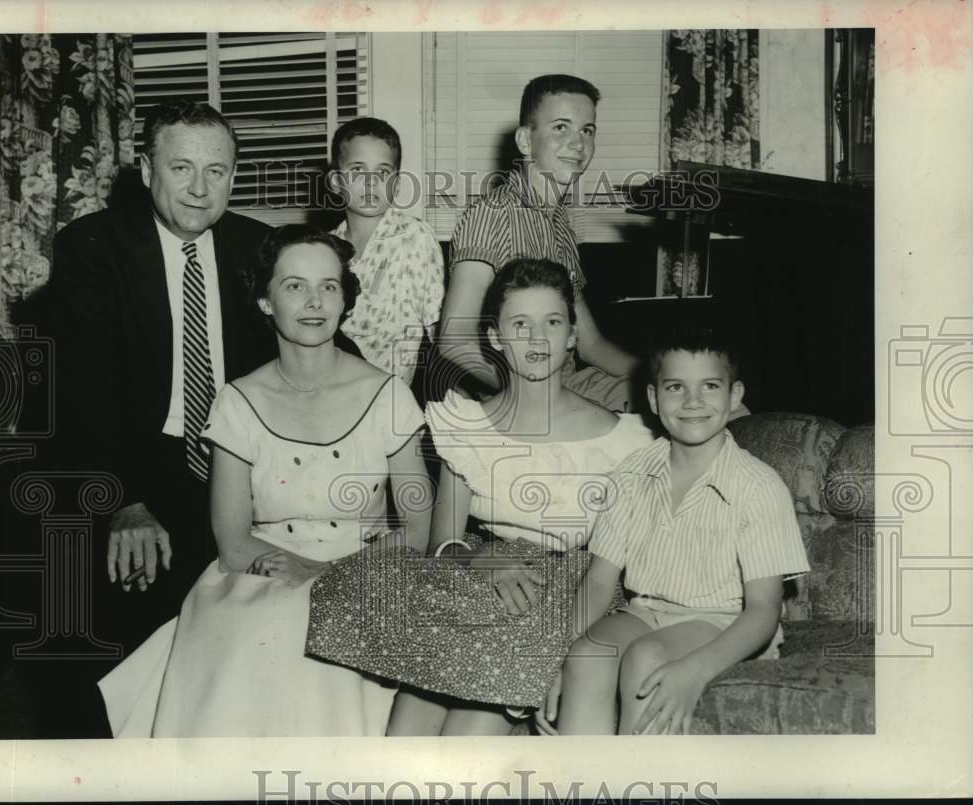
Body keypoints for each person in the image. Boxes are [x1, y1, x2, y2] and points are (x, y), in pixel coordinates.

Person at [97, 225, 433, 737]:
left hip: (368, 571)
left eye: (328, 286)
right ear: (264, 300)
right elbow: (232, 541)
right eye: (295, 286)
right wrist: (296, 571)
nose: (314, 301)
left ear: (345, 300)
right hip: (262, 568)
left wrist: (324, 571)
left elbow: (418, 529)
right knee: (267, 629)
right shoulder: (237, 402)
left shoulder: (388, 396)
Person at [303, 258, 654, 735]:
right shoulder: (467, 425)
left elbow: (620, 565)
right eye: (520, 324)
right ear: (495, 337)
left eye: (552, 322)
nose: (536, 339)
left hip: (570, 600)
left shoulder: (625, 440)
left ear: (573, 335)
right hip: (483, 585)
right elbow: (443, 542)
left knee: (464, 741)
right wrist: (481, 558)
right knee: (404, 730)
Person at [32, 100, 274, 736]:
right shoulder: (93, 247)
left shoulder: (258, 247)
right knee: (122, 636)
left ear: (233, 176)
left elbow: (316, 345)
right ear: (147, 171)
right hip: (135, 460)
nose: (199, 188)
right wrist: (126, 501)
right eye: (181, 167)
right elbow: (82, 391)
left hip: (235, 462)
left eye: (216, 171)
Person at [538, 329, 809, 736]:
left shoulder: (758, 485)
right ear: (653, 398)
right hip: (647, 612)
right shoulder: (631, 475)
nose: (692, 401)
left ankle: (642, 772)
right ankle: (581, 770)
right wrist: (558, 662)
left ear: (734, 396)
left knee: (646, 659)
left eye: (710, 386)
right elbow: (599, 581)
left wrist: (694, 671)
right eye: (676, 387)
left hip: (725, 621)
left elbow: (763, 611)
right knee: (588, 653)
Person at [437, 74, 637, 411]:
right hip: (517, 394)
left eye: (587, 130)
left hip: (569, 383)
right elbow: (454, 340)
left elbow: (590, 344)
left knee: (700, 400)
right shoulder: (492, 215)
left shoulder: (561, 227)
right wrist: (532, 395)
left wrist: (661, 375)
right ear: (525, 140)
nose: (578, 144)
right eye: (561, 127)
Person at [329, 117, 444, 385]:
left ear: (397, 184)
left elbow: (439, 330)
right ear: (336, 181)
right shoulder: (325, 248)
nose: (371, 183)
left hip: (388, 394)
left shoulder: (415, 237)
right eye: (357, 170)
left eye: (382, 172)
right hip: (327, 386)